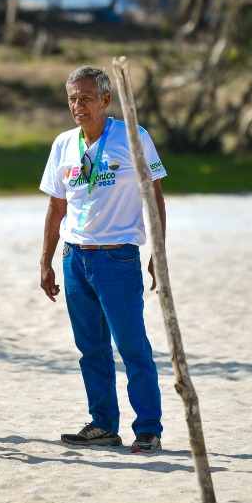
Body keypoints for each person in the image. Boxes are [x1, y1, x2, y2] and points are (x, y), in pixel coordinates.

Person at [38, 65, 167, 454]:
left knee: (132, 346)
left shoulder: (134, 137)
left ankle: (148, 428)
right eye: (73, 98)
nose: (78, 105)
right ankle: (103, 425)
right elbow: (56, 206)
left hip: (118, 258)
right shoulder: (63, 144)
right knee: (90, 348)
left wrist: (158, 254)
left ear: (106, 101)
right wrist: (46, 261)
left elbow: (155, 197)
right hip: (75, 257)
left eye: (87, 98)